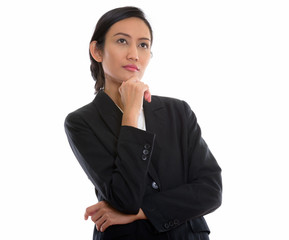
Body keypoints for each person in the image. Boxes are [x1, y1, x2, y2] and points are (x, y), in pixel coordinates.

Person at [64, 6, 222, 240]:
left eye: (143, 45)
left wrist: (141, 213)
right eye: (121, 41)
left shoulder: (178, 111)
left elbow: (210, 191)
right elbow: (124, 199)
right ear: (97, 51)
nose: (134, 55)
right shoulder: (81, 122)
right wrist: (130, 114)